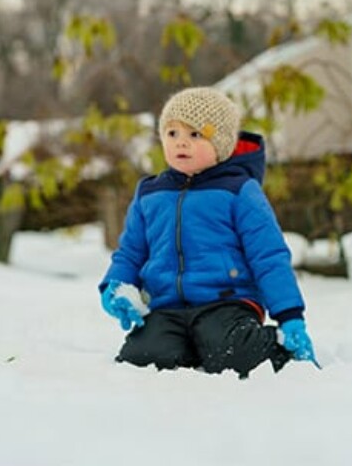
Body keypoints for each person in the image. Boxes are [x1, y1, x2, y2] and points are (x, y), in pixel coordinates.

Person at [98, 86, 318, 379]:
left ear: (221, 144)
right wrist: (115, 286)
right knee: (142, 359)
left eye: (195, 135)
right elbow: (131, 252)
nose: (181, 143)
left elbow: (268, 256)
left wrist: (290, 316)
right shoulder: (150, 193)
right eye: (172, 133)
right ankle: (188, 347)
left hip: (227, 303)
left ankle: (278, 348)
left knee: (232, 353)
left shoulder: (239, 190)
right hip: (166, 307)